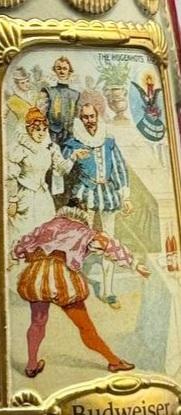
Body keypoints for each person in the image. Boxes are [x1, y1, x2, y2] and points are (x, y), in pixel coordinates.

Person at [14, 205, 150, 378]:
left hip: (36, 277)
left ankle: (31, 365)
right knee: (85, 326)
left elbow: (20, 248)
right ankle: (114, 362)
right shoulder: (84, 230)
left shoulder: (46, 227)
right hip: (64, 280)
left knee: (37, 322)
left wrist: (21, 259)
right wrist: (135, 265)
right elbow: (109, 244)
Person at [63, 103, 133, 309]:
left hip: (108, 195)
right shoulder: (73, 143)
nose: (89, 121)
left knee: (109, 243)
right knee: (80, 242)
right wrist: (73, 156)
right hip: (85, 195)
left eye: (92, 116)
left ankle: (108, 291)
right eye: (85, 117)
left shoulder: (108, 141)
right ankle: (73, 290)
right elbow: (61, 170)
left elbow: (119, 168)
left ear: (97, 117)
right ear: (80, 119)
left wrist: (125, 197)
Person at [7, 107, 66, 241]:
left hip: (43, 195)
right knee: (25, 232)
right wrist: (13, 199)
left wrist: (73, 157)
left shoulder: (48, 148)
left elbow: (61, 168)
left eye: (44, 130)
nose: (41, 133)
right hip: (25, 196)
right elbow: (11, 176)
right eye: (37, 129)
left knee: (45, 231)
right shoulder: (20, 149)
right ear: (29, 130)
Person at [46, 56, 80, 146]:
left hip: (70, 135)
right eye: (59, 68)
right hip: (52, 135)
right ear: (54, 71)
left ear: (69, 72)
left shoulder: (75, 94)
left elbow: (78, 117)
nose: (62, 72)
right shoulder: (49, 91)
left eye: (65, 69)